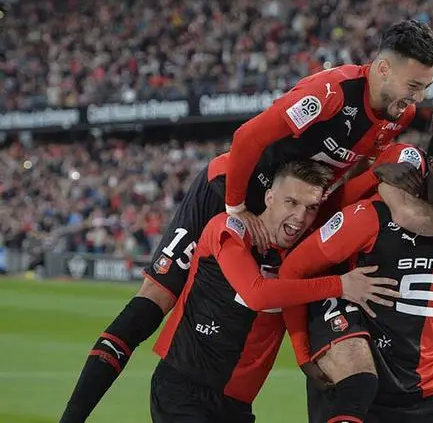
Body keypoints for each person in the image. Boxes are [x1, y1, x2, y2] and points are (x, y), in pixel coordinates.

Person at [60, 19, 433, 423]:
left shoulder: (399, 116)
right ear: (383, 68)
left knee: (248, 316)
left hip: (290, 212)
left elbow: (346, 176)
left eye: (426, 87)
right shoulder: (331, 92)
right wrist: (236, 209)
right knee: (153, 303)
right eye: (413, 85)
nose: (418, 97)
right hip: (229, 193)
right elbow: (247, 138)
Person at [149, 160, 401, 423]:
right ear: (269, 197)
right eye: (291, 202)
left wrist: (379, 172)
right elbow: (257, 295)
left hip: (237, 403)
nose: (300, 217)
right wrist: (341, 285)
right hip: (184, 389)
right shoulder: (228, 229)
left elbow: (343, 202)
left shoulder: (300, 255)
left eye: (311, 208)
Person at [299, 97, 433, 423]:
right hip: (365, 378)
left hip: (431, 385)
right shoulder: (387, 199)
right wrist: (302, 351)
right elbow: (296, 267)